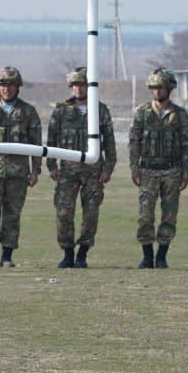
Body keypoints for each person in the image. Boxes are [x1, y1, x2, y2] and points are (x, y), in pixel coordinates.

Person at [45, 67, 116, 268]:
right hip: (67, 171)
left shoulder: (100, 110)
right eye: (75, 85)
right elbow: (51, 140)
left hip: (93, 171)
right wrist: (51, 166)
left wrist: (108, 168)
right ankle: (67, 252)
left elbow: (109, 141)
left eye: (82, 84)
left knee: (91, 214)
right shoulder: (61, 111)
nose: (78, 89)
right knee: (63, 212)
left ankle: (83, 252)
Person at [0, 66, 42, 268]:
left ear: (18, 87)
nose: (6, 89)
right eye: (3, 85)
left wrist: (35, 170)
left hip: (18, 174)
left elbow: (36, 144)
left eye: (10, 85)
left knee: (12, 214)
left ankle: (7, 255)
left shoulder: (28, 112)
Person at [128, 67, 188, 269]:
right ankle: (147, 256)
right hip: (148, 170)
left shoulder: (179, 114)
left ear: (169, 89)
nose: (158, 91)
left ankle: (162, 255)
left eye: (161, 88)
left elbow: (185, 145)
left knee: (169, 215)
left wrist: (185, 173)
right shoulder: (142, 113)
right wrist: (134, 168)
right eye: (155, 88)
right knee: (145, 215)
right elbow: (134, 142)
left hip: (172, 170)